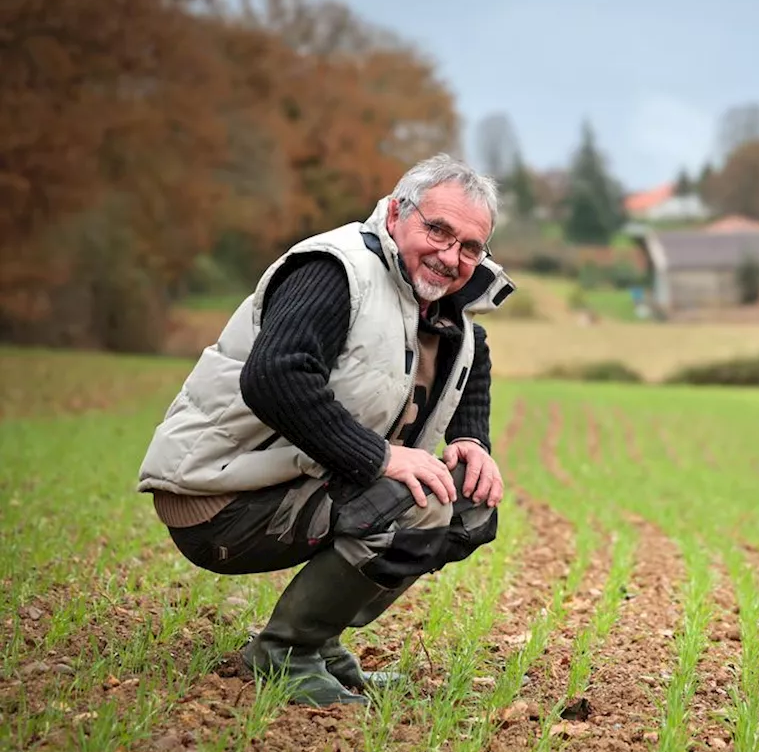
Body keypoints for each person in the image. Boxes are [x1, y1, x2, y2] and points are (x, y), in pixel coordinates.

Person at [139, 154, 515, 706]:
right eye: (437, 229)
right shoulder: (336, 272)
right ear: (394, 215)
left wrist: (471, 441)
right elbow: (273, 378)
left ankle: (320, 639)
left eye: (470, 247)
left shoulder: (449, 312)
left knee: (466, 502)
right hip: (217, 496)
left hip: (296, 482)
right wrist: (382, 458)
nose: (450, 255)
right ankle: (286, 653)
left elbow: (469, 365)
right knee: (415, 502)